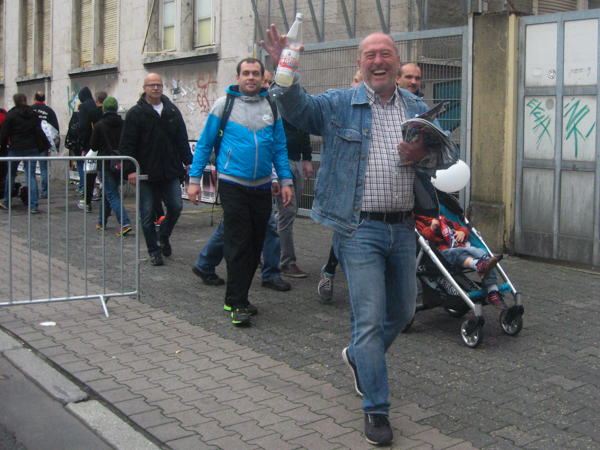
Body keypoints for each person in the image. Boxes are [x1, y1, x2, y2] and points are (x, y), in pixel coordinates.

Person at [263, 30, 457, 445]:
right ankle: (376, 409)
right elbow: (296, 108)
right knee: (368, 318)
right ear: (360, 63)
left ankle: (358, 356)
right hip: (357, 227)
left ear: (397, 61)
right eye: (370, 54)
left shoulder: (417, 108)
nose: (378, 60)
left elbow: (448, 154)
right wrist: (284, 67)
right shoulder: (339, 103)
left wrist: (423, 153)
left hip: (403, 227)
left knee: (402, 313)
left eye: (385, 53)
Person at [188, 58, 293, 326]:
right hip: (232, 184)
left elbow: (279, 147)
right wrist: (194, 179)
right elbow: (204, 144)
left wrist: (286, 180)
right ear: (238, 77)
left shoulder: (271, 106)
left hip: (262, 186)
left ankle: (237, 298)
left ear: (262, 78)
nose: (251, 77)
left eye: (256, 73)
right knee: (238, 242)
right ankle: (237, 302)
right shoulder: (224, 105)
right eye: (246, 73)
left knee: (256, 244)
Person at [120, 73, 193, 266]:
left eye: (158, 85)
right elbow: (127, 144)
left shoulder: (172, 111)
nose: (155, 88)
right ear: (144, 88)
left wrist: (189, 161)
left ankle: (164, 235)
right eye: (151, 85)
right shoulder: (136, 113)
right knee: (146, 215)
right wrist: (130, 170)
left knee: (176, 207)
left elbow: (181, 139)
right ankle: (154, 251)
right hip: (145, 173)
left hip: (170, 170)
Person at [414, 214, 507, 310]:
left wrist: (462, 233)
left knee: (479, 251)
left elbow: (461, 228)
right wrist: (432, 228)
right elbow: (422, 241)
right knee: (458, 254)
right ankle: (478, 265)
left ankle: (493, 291)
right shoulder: (418, 223)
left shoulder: (444, 219)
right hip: (442, 254)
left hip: (460, 248)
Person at [276, 104, 313, 278]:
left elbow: (304, 129)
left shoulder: (297, 102)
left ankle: (267, 250)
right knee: (287, 211)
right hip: (281, 161)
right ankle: (286, 261)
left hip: (296, 159)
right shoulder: (274, 103)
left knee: (288, 212)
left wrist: (307, 158)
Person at [88, 97, 132, 236]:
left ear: (104, 109)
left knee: (112, 194)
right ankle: (101, 221)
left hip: (105, 163)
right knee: (109, 191)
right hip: (119, 163)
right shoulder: (123, 124)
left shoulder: (99, 125)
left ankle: (125, 223)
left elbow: (93, 146)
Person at [0, 93, 43, 213]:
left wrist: (3, 147)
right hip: (32, 147)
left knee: (11, 174)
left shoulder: (11, 114)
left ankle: (6, 201)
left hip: (16, 148)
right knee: (31, 176)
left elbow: (4, 133)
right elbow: (38, 128)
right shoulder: (33, 113)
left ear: (15, 102)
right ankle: (33, 205)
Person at [78, 91, 108, 212]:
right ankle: (106, 205)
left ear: (96, 101)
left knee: (90, 175)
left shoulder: (91, 113)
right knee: (106, 177)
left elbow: (86, 130)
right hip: (107, 149)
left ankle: (87, 202)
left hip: (94, 147)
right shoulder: (108, 113)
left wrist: (84, 148)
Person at [31, 91, 60, 199]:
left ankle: (32, 191)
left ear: (34, 98)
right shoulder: (49, 111)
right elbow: (55, 129)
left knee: (30, 168)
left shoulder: (29, 109)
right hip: (43, 143)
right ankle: (44, 192)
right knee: (44, 167)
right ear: (44, 99)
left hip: (31, 143)